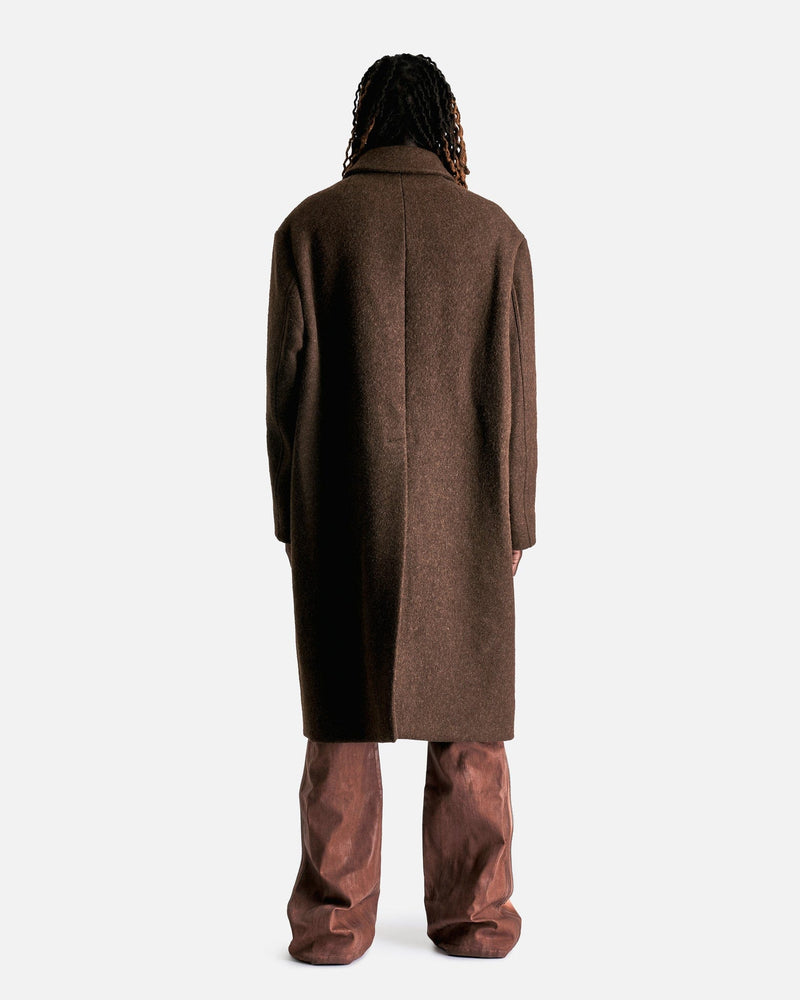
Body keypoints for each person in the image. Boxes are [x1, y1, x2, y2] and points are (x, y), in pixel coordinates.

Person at [266, 53, 537, 964]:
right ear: (443, 124)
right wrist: (516, 520)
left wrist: (292, 517)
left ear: (367, 121)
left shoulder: (310, 229)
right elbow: (519, 393)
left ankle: (333, 921)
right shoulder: (496, 236)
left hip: (344, 508)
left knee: (343, 710)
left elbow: (283, 399)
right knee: (469, 712)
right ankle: (476, 916)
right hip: (469, 509)